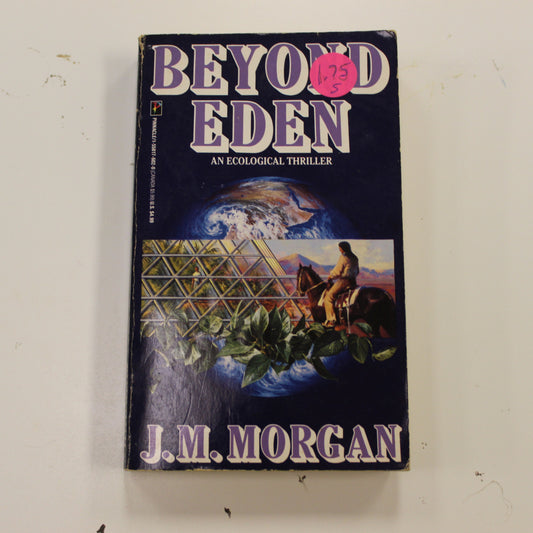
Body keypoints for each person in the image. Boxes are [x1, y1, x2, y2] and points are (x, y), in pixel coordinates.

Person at [323, 241, 359, 327]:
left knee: (328, 297)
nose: (339, 250)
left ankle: (331, 320)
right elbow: (357, 271)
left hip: (344, 281)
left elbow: (338, 271)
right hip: (353, 281)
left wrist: (331, 276)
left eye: (340, 248)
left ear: (343, 248)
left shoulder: (343, 257)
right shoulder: (355, 257)